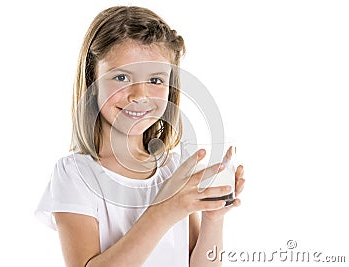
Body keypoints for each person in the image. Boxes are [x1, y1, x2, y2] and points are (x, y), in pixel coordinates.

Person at [35, 5, 245, 267]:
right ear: (92, 81)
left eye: (155, 80)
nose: (139, 95)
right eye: (121, 77)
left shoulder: (173, 169)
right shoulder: (76, 174)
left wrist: (213, 218)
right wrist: (166, 209)